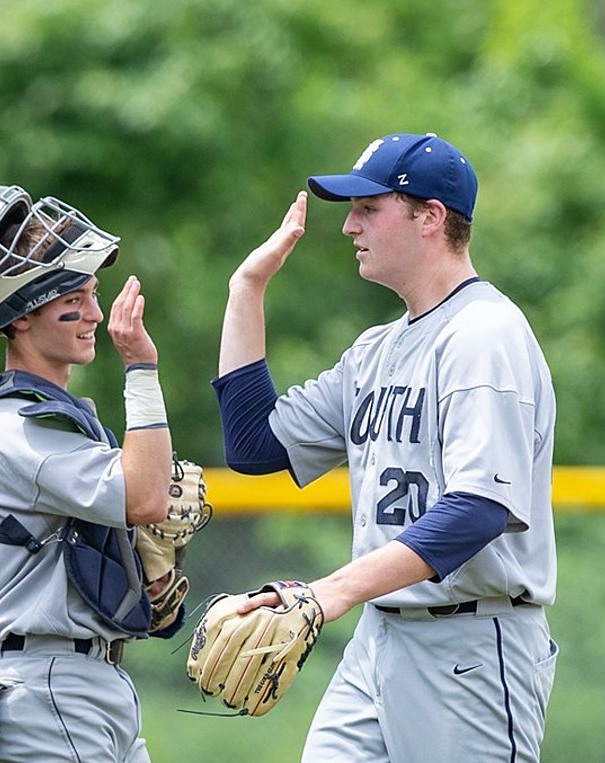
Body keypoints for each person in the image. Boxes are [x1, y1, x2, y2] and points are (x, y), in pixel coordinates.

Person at [213, 133, 559, 762]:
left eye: (369, 208)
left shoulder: (484, 334)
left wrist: (331, 591)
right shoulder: (375, 350)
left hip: (471, 648)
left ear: (430, 218)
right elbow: (254, 444)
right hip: (379, 642)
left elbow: (477, 509)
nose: (349, 225)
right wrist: (246, 290)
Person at [0, 185, 175, 762]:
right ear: (21, 316)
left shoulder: (55, 417)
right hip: (53, 688)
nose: (93, 313)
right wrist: (141, 367)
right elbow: (147, 496)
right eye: (72, 297)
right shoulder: (16, 426)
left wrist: (145, 576)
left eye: (93, 293)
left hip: (86, 684)